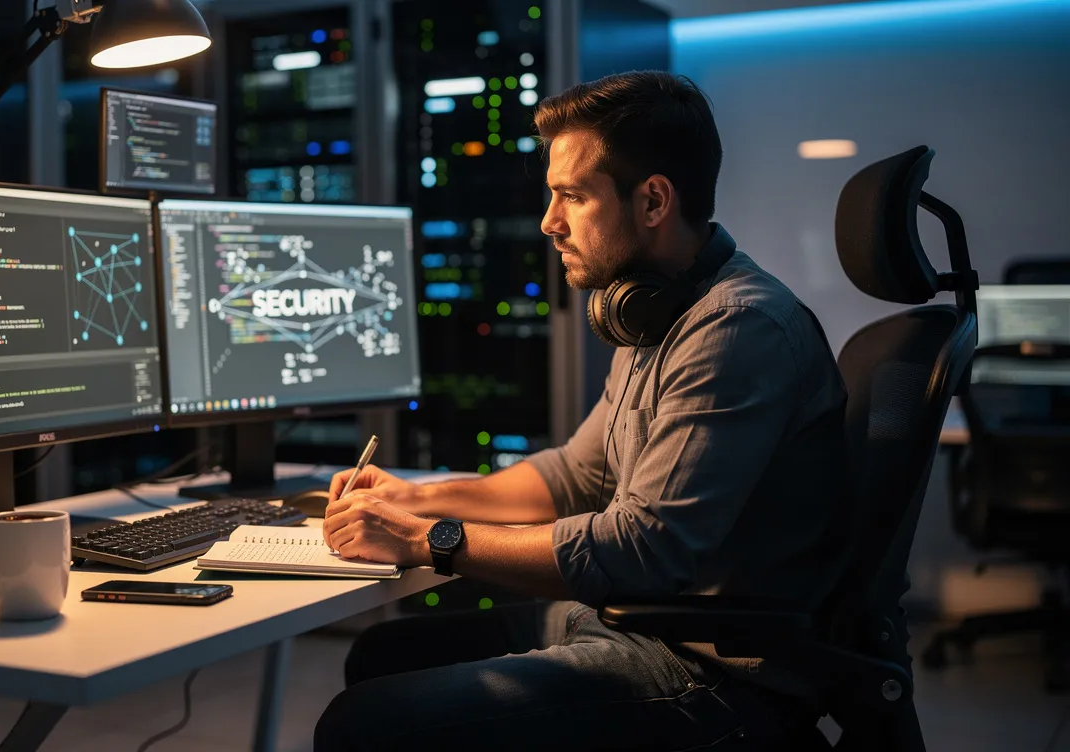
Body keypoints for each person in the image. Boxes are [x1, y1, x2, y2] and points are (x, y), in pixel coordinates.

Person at [313, 71, 851, 750]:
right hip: (635, 621)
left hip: (711, 666)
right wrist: (418, 497)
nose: (549, 222)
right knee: (381, 656)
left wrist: (429, 541)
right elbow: (574, 476)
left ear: (653, 200)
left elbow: (642, 549)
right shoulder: (655, 308)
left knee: (361, 725)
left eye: (573, 196)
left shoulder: (736, 329)